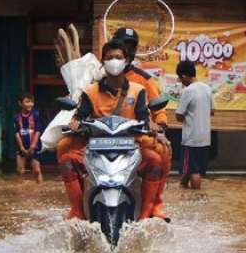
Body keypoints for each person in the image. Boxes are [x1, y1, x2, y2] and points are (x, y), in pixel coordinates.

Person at [57, 39, 165, 220]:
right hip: (95, 145)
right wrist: (75, 123)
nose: (114, 61)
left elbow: (143, 117)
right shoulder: (90, 91)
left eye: (118, 57)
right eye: (109, 57)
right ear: (102, 62)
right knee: (65, 156)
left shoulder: (138, 90)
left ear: (126, 61)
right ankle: (76, 210)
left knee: (157, 158)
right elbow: (81, 115)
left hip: (131, 143)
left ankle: (150, 210)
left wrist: (152, 125)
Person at [112, 27, 172, 221]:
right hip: (101, 137)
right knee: (68, 152)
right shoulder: (97, 77)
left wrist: (159, 126)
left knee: (162, 152)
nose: (128, 49)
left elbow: (158, 110)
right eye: (124, 45)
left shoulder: (144, 80)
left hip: (134, 138)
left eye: (131, 46)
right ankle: (76, 208)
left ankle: (155, 204)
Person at [175, 61, 214, 190]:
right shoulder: (207, 88)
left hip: (191, 138)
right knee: (193, 168)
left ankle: (195, 197)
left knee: (193, 171)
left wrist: (186, 116)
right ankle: (183, 186)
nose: (181, 82)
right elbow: (212, 111)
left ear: (184, 76)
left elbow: (179, 116)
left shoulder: (188, 90)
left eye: (180, 79)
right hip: (205, 138)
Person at [14, 93, 44, 183]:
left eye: (32, 102)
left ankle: (40, 188)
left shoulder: (35, 115)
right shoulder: (16, 117)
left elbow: (38, 131)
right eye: (27, 102)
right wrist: (21, 148)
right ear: (20, 103)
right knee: (20, 171)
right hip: (21, 148)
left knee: (37, 171)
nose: (30, 104)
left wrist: (33, 146)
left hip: (34, 147)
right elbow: (16, 133)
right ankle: (20, 191)